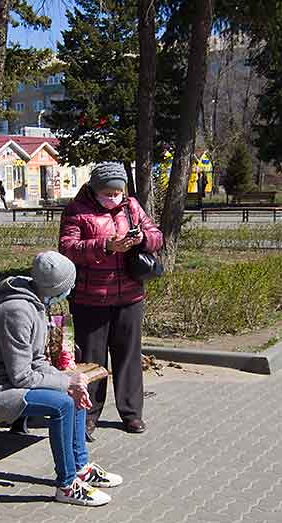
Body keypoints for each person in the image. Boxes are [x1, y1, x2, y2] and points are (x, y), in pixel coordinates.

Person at [0, 251, 122, 507]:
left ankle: (81, 468)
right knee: (62, 405)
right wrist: (66, 383)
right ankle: (67, 485)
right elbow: (22, 376)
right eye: (69, 285)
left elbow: (37, 360)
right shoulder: (17, 312)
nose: (71, 290)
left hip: (5, 380)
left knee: (75, 391)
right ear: (56, 288)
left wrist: (71, 379)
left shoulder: (36, 302)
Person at [59, 162, 163, 441]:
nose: (114, 197)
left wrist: (142, 239)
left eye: (118, 192)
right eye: (108, 193)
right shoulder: (77, 210)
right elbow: (67, 249)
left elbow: (157, 236)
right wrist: (105, 246)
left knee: (128, 356)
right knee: (91, 361)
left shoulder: (132, 206)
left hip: (129, 296)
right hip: (90, 298)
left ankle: (132, 413)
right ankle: (88, 415)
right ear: (95, 189)